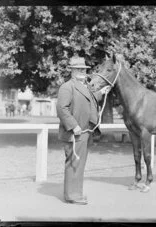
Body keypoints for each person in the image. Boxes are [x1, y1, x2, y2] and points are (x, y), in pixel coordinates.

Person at [56, 56, 111, 205]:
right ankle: (72, 196)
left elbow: (90, 99)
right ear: (72, 71)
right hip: (74, 133)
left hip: (85, 132)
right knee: (74, 163)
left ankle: (76, 193)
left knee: (79, 164)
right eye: (78, 69)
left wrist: (101, 93)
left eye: (84, 69)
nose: (82, 71)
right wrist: (74, 126)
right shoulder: (67, 87)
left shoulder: (84, 86)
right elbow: (62, 109)